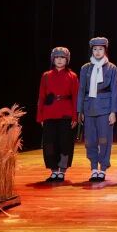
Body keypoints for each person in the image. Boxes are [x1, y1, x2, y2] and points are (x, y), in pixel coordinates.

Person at [76, 36, 117, 182]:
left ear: (105, 50)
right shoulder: (85, 68)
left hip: (105, 108)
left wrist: (113, 111)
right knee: (90, 140)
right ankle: (94, 167)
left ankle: (103, 168)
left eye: (100, 49)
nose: (98, 52)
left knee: (104, 139)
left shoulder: (112, 68)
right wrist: (80, 111)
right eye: (95, 49)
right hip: (89, 107)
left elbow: (115, 90)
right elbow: (81, 89)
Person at [36, 46, 79, 183]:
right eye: (57, 57)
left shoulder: (72, 76)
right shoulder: (46, 76)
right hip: (49, 113)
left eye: (62, 58)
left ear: (67, 60)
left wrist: (75, 116)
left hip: (66, 113)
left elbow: (76, 97)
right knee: (49, 143)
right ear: (53, 60)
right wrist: (40, 116)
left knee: (65, 142)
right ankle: (53, 170)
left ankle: (62, 170)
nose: (59, 60)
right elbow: (41, 97)